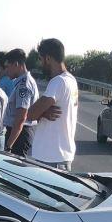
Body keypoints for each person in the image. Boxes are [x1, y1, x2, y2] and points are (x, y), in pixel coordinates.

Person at [27, 38, 79, 170]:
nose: (40, 63)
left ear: (48, 58)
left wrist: (41, 112)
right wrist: (44, 112)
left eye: (41, 59)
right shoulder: (71, 80)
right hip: (60, 157)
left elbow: (31, 114)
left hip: (51, 159)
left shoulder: (58, 82)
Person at [1, 48, 38, 156]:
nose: (6, 71)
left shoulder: (24, 85)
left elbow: (21, 118)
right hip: (18, 133)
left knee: (14, 164)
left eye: (8, 66)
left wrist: (9, 146)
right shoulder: (22, 82)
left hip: (19, 135)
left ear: (16, 64)